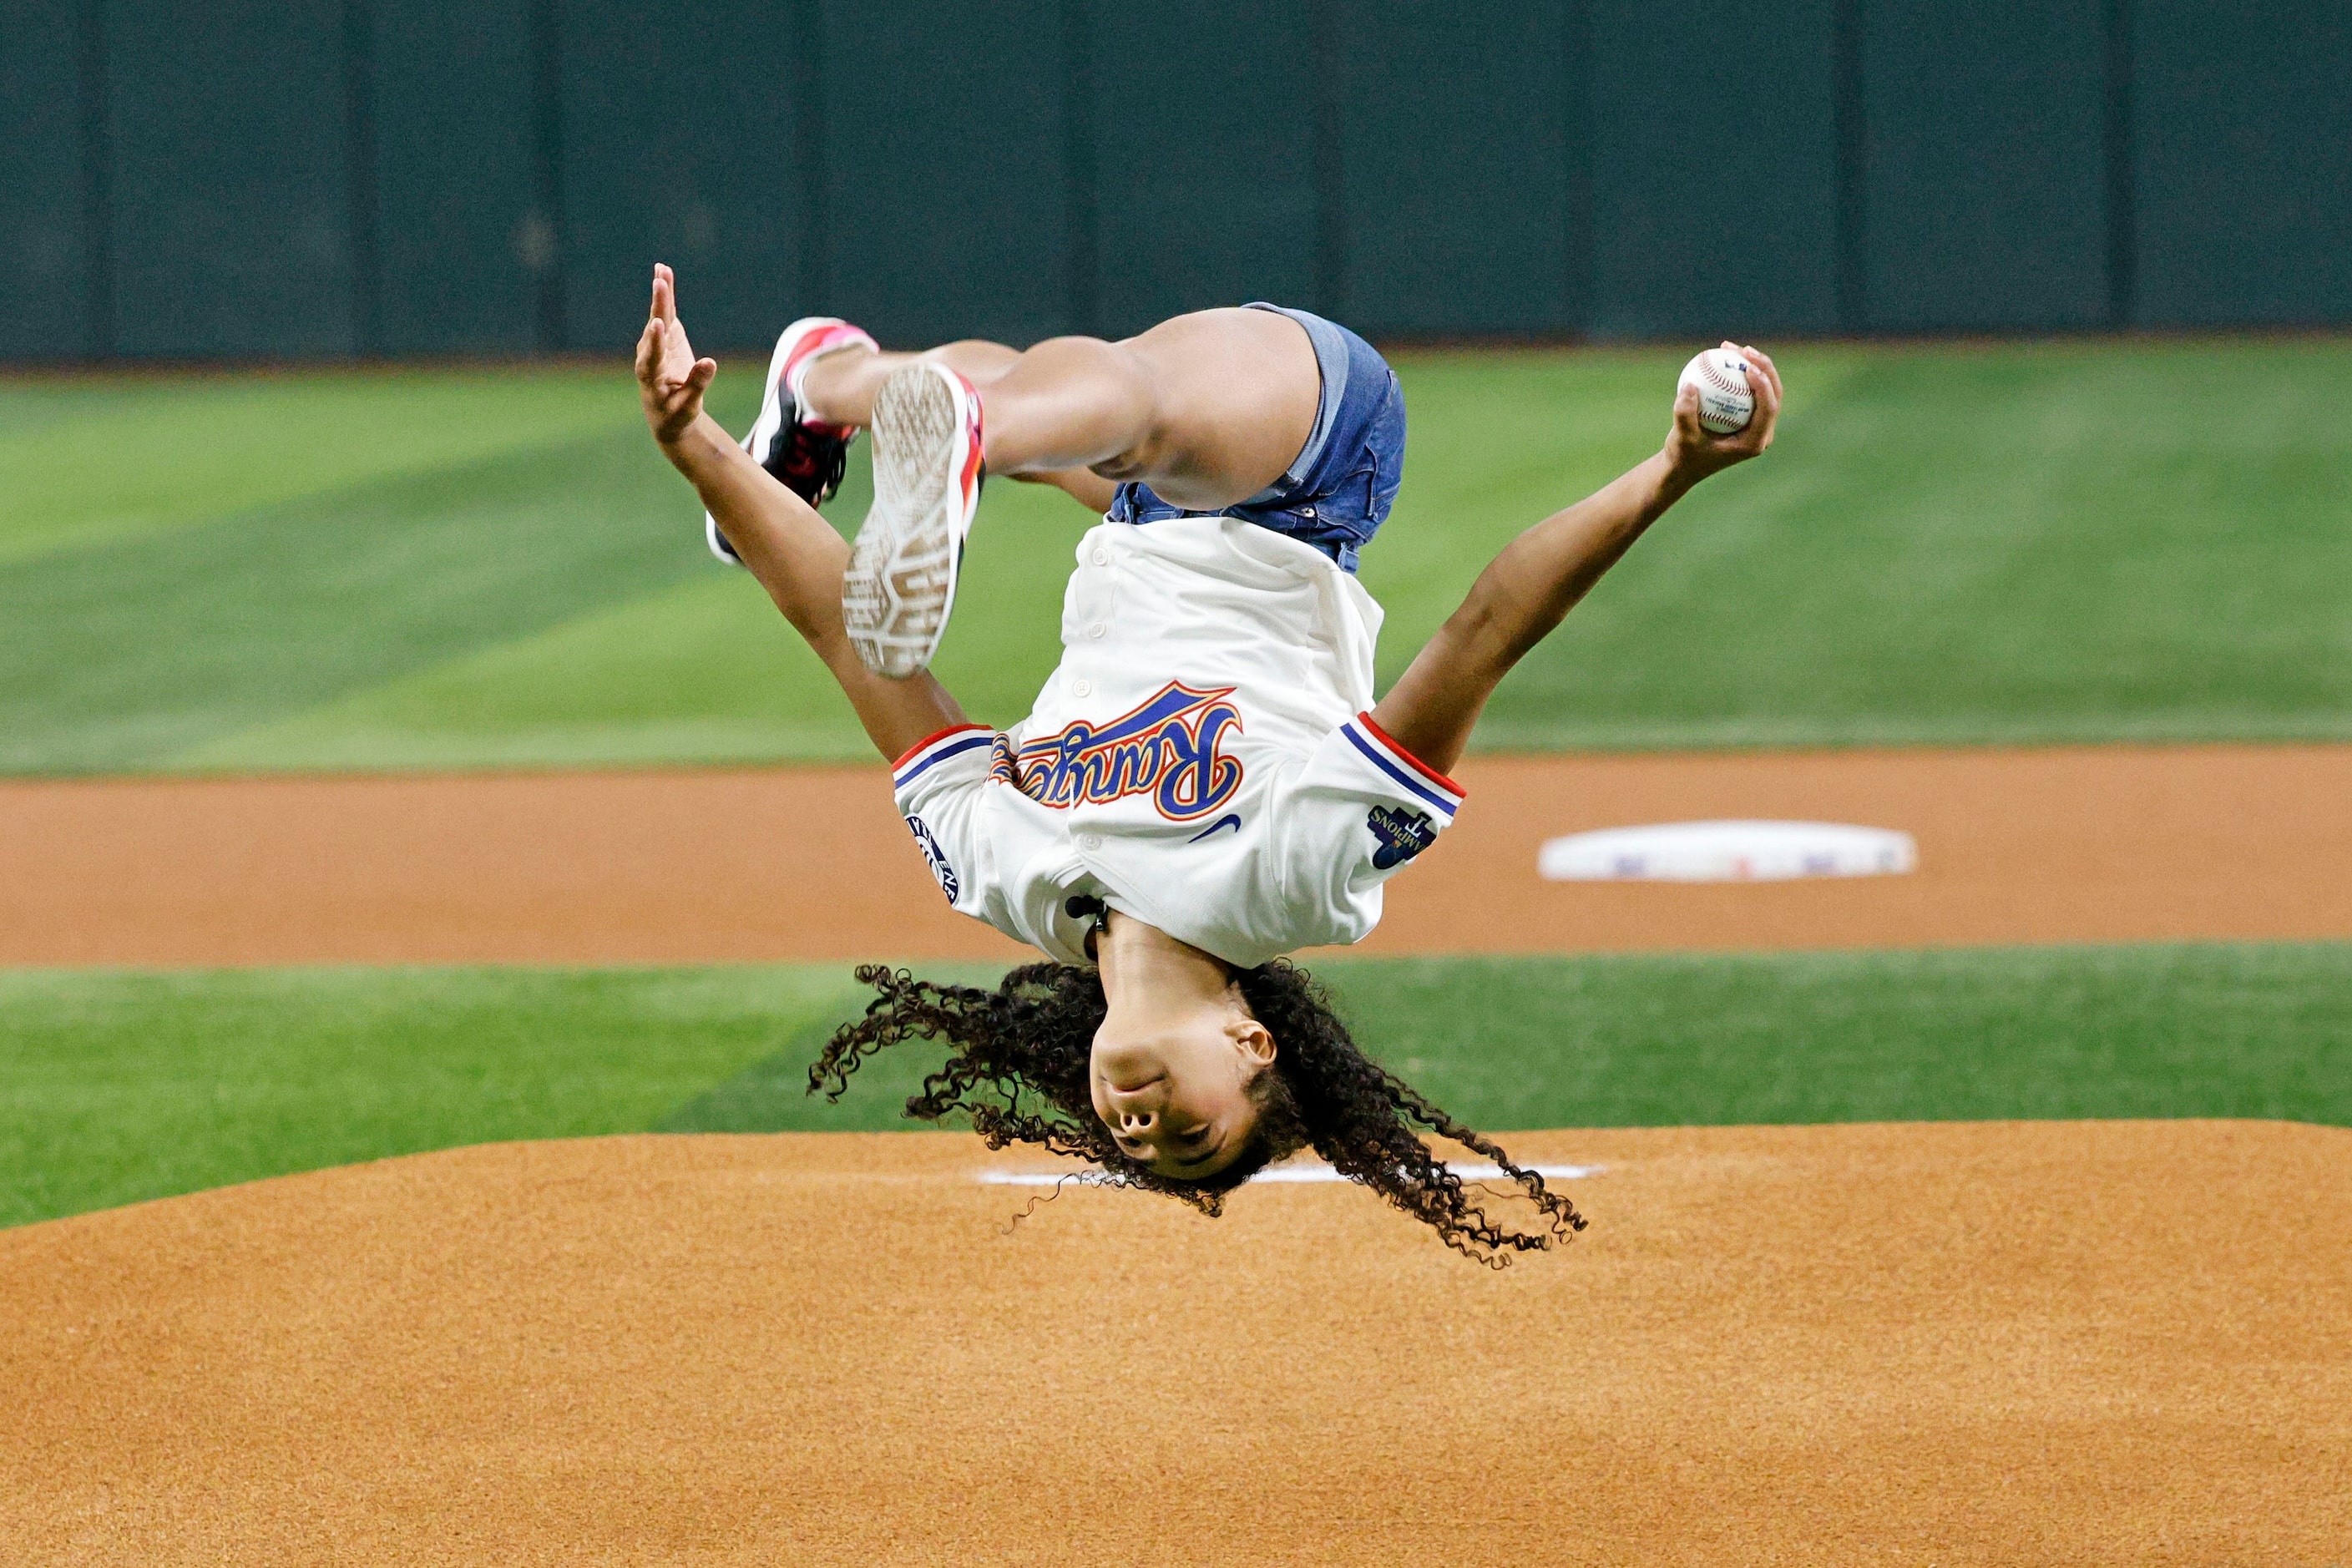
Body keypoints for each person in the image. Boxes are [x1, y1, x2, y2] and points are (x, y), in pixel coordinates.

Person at [636, 264, 1782, 1263]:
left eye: (1131, 1143)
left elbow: (850, 639)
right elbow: (1484, 628)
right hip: (1312, 467)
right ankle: (971, 432)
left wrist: (698, 449)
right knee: (1119, 411)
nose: (1143, 1129)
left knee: (1072, 411)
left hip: (1144, 516)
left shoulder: (1004, 875)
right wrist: (1671, 469)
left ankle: (821, 391)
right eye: (1191, 1129)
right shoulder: (1296, 880)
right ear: (1249, 1043)